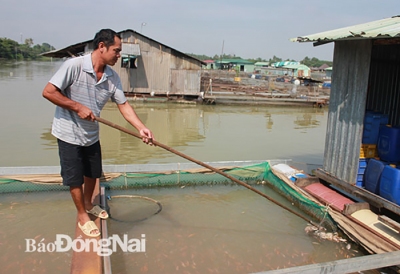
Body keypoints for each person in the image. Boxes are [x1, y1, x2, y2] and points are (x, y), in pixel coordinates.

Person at [42, 29, 154, 237]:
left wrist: (141, 127)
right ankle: (82, 215)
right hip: (68, 133)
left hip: (91, 134)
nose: (119, 56)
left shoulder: (112, 77)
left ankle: (89, 203)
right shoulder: (74, 66)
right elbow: (48, 92)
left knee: (93, 173)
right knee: (75, 178)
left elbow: (124, 105)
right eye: (116, 50)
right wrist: (77, 107)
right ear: (101, 46)